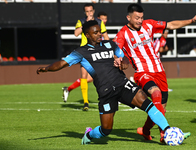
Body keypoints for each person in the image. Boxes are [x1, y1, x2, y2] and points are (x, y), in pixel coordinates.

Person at [37, 20, 171, 145]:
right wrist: (46, 69)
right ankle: (89, 135)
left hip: (122, 84)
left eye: (100, 31)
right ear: (87, 35)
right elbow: (62, 63)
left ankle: (168, 131)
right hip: (106, 92)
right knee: (106, 130)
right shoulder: (81, 52)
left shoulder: (110, 45)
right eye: (95, 33)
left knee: (147, 104)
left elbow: (124, 57)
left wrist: (124, 63)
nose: (99, 34)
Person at [113, 4, 196, 142]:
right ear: (128, 17)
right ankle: (166, 133)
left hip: (159, 71)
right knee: (155, 93)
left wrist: (191, 21)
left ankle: (145, 131)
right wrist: (117, 59)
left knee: (161, 109)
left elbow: (170, 25)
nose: (140, 21)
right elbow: (115, 49)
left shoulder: (149, 25)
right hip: (142, 72)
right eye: (137, 18)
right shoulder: (123, 33)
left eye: (141, 17)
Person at [62, 3, 109, 111]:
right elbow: (76, 33)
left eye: (91, 11)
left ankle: (69, 89)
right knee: (84, 75)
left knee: (100, 75)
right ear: (85, 12)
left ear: (93, 11)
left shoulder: (99, 22)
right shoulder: (81, 21)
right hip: (85, 51)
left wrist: (110, 47)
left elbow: (105, 35)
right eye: (87, 11)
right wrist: (85, 24)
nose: (89, 13)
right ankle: (86, 102)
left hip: (97, 51)